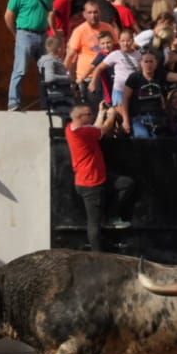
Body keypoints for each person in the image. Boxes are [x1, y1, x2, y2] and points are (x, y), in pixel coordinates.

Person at [66, 102, 134, 252]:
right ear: (79, 117)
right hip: (91, 182)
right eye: (88, 114)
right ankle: (97, 255)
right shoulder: (82, 133)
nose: (90, 116)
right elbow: (103, 129)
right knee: (94, 223)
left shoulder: (73, 128)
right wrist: (111, 115)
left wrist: (100, 113)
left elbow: (95, 128)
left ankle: (111, 216)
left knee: (126, 183)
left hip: (94, 177)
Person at [4, 0, 52, 110]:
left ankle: (47, 103)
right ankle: (14, 102)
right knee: (20, 69)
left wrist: (53, 31)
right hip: (25, 33)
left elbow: (50, 12)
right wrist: (16, 34)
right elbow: (8, 16)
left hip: (43, 35)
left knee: (46, 70)